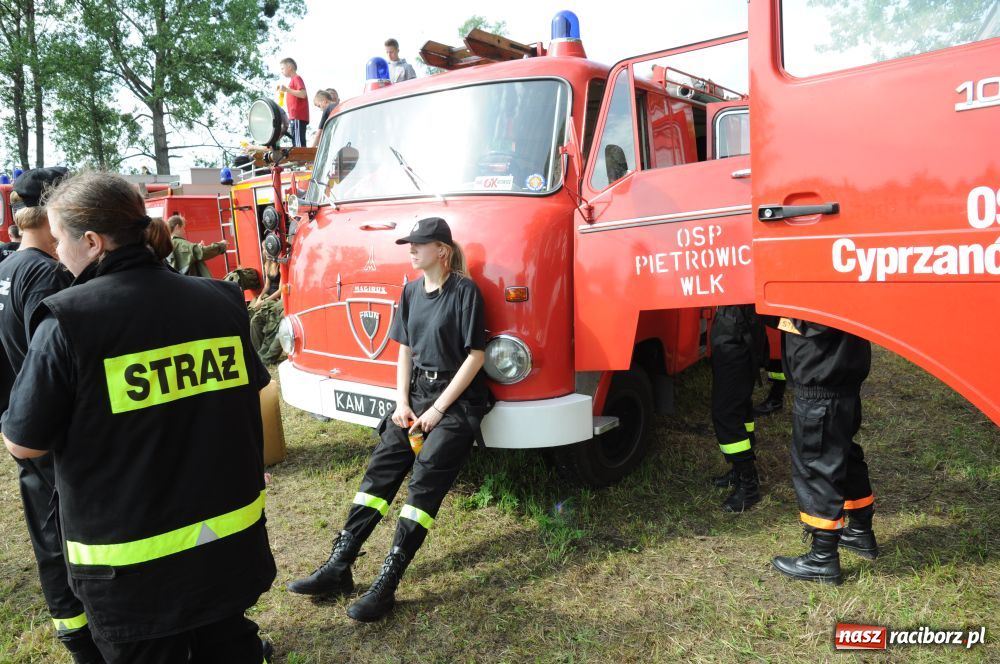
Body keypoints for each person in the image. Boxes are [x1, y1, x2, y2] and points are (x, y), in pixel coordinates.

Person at [2, 172, 277, 662]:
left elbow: (25, 444)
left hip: (132, 575)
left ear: (91, 241)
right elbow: (248, 390)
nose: (56, 253)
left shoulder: (67, 319)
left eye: (60, 239)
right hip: (228, 551)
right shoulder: (220, 300)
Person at [287, 216, 489, 622]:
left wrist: (437, 410)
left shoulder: (465, 292)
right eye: (410, 243)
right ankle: (339, 565)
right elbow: (405, 351)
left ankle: (387, 584)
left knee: (424, 482)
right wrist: (402, 403)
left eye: (419, 243)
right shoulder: (411, 291)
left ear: (442, 251)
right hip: (415, 397)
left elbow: (476, 356)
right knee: (380, 470)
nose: (411, 249)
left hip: (457, 401)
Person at [0, 168, 102, 664]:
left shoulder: (8, 268)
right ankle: (88, 640)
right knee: (74, 541)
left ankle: (75, 635)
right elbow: (62, 353)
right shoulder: (45, 273)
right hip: (54, 430)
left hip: (24, 420)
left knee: (48, 536)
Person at [771, 318, 876, 585]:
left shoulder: (814, 282)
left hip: (822, 377)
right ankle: (860, 531)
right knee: (843, 455)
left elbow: (808, 322)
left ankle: (823, 558)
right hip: (841, 375)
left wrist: (766, 311)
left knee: (817, 462)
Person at [709, 304, 765, 512]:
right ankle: (739, 469)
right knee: (739, 407)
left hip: (737, 331)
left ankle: (748, 483)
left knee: (726, 412)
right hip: (733, 327)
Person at [249, 241, 284, 364]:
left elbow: (281, 290)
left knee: (270, 320)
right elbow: (267, 286)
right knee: (254, 320)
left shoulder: (282, 264)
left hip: (278, 298)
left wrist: (264, 301)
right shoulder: (267, 264)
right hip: (269, 297)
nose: (265, 251)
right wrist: (260, 298)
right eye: (264, 249)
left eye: (266, 249)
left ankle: (266, 356)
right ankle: (257, 354)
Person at [278, 57, 309, 147]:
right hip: (295, 117)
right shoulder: (293, 81)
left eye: (282, 68)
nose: (282, 71)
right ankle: (301, 159)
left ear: (290, 67)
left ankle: (301, 160)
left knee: (298, 144)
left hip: (298, 116)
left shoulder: (296, 78)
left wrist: (287, 89)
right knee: (296, 140)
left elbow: (303, 94)